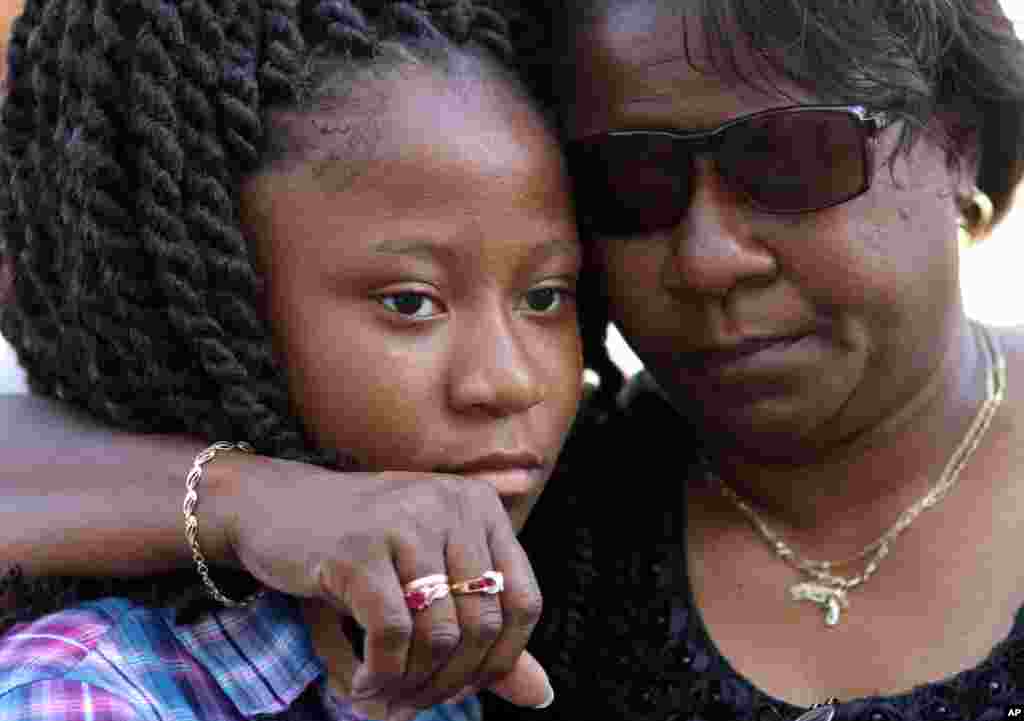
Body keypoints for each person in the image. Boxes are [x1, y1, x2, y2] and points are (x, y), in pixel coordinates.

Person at [4, 0, 1024, 719]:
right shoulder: (526, 509)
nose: (708, 256)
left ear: (958, 142)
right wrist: (252, 498)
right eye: (633, 181)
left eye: (789, 157)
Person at [0, 0, 585, 719]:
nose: (507, 380)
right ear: (207, 302)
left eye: (547, 296)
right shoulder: (88, 691)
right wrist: (249, 498)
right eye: (410, 302)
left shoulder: (528, 581)